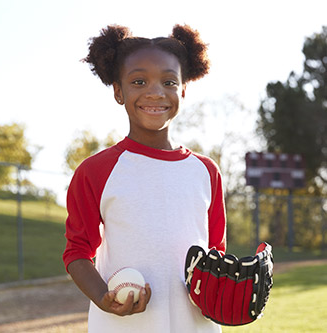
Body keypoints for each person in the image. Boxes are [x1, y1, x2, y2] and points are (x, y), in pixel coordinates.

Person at [63, 24, 226, 333]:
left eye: (169, 81)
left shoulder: (206, 171)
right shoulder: (96, 170)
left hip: (196, 326)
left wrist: (224, 291)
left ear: (183, 89)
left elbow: (215, 250)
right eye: (139, 81)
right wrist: (102, 297)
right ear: (118, 91)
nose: (155, 92)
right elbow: (77, 252)